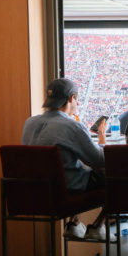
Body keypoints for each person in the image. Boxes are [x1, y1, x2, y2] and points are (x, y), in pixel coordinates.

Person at [21, 78, 108, 240]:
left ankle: (74, 223)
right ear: (71, 99)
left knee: (75, 166)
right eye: (76, 99)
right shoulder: (72, 125)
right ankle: (97, 226)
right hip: (66, 191)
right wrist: (102, 138)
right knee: (117, 175)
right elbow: (99, 160)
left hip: (33, 192)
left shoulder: (29, 123)